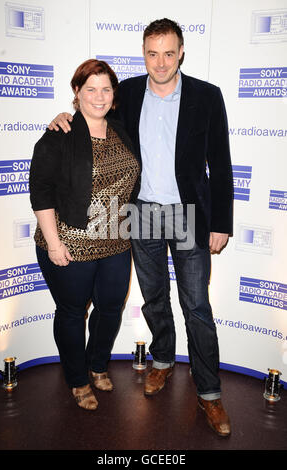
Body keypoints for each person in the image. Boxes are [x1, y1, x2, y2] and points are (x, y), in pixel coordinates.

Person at [48, 18, 233, 436]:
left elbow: (220, 166)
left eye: (169, 53)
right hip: (143, 212)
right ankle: (163, 360)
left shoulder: (207, 96)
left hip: (187, 214)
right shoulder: (126, 92)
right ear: (144, 53)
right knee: (153, 297)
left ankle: (209, 393)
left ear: (181, 52)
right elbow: (91, 113)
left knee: (196, 307)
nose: (161, 61)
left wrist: (220, 223)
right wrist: (64, 117)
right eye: (153, 53)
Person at [29, 59, 140, 410]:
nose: (99, 95)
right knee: (72, 312)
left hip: (117, 240)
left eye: (106, 89)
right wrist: (55, 245)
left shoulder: (121, 130)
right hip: (70, 242)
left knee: (109, 308)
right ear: (77, 92)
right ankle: (77, 379)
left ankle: (96, 364)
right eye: (90, 88)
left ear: (114, 94)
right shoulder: (58, 135)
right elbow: (41, 193)